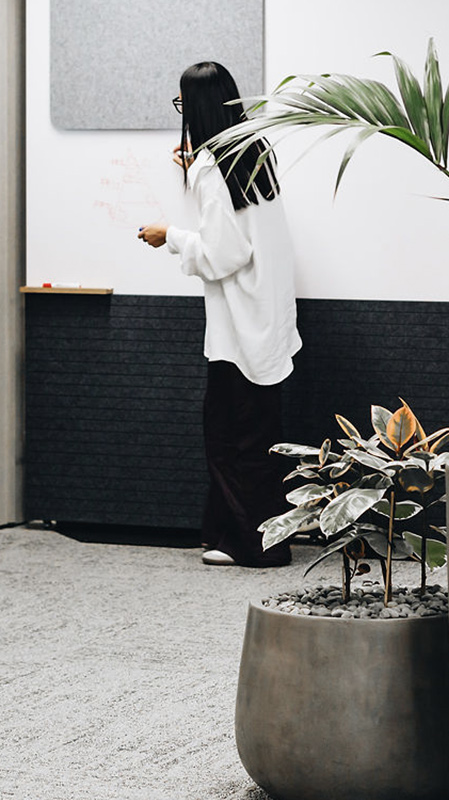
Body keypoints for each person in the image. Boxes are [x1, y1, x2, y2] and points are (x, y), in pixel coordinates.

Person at [137, 61, 301, 567]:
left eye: (183, 103)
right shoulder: (253, 150)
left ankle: (252, 546)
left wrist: (169, 237)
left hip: (239, 328)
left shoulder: (214, 165)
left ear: (197, 107)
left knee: (230, 439)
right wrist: (191, 173)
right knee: (257, 438)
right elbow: (239, 227)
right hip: (267, 319)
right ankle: (244, 538)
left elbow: (223, 253)